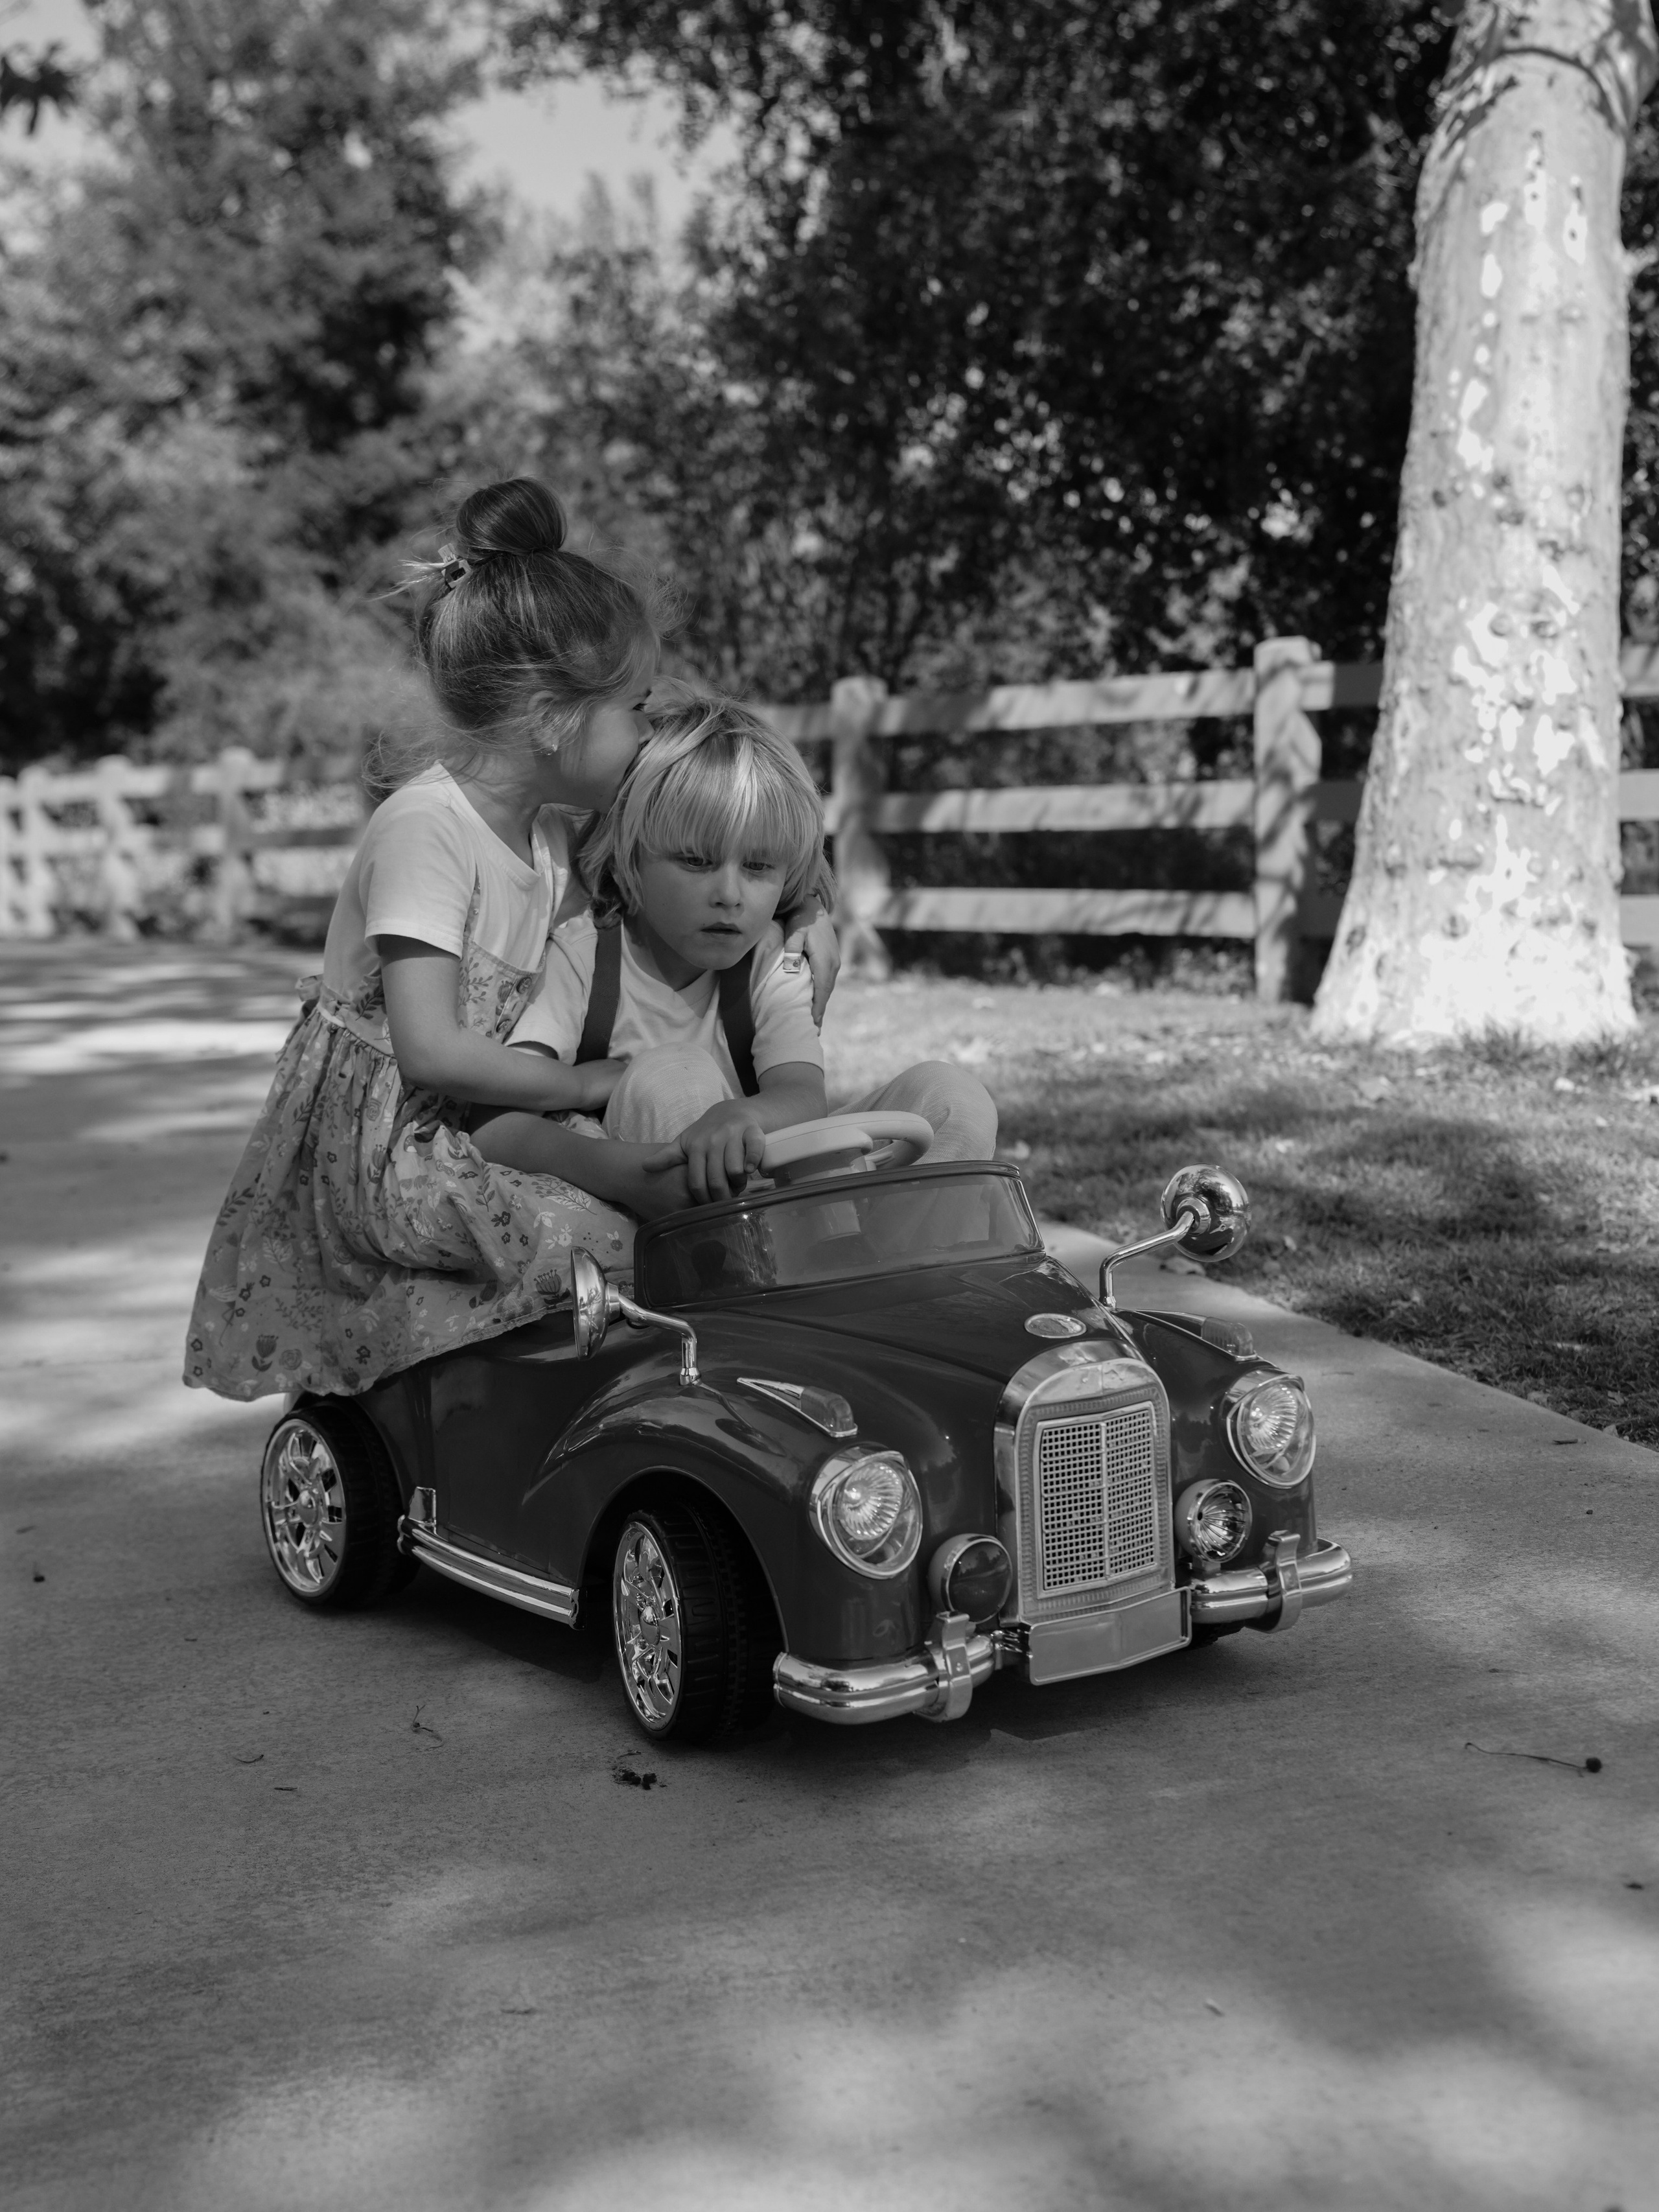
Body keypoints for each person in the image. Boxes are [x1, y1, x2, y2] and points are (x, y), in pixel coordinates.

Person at [183, 482, 836, 1403]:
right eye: (635, 709)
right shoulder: (427, 830)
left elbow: (703, 852)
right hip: (393, 1141)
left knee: (664, 1213)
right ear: (551, 719)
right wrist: (582, 1085)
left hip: (485, 1115)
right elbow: (431, 1050)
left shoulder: (550, 832)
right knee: (608, 1240)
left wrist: (810, 911)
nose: (648, 732)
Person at [469, 696, 997, 1202]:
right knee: (675, 1073)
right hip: (655, 1202)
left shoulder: (773, 958)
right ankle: (736, 1275)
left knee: (952, 1096)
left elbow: (802, 1096)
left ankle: (902, 1266)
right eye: (696, 861)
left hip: (773, 1184)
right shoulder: (585, 957)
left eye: (758, 867)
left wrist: (741, 1119)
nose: (728, 894)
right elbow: (494, 1123)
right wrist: (609, 1168)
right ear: (632, 863)